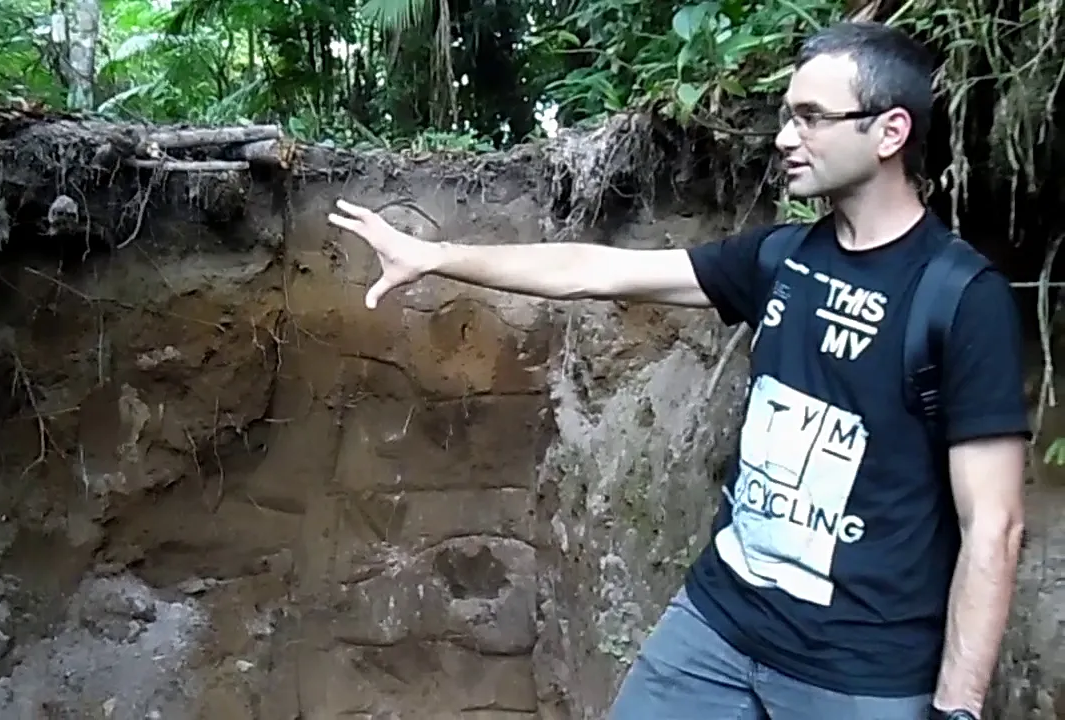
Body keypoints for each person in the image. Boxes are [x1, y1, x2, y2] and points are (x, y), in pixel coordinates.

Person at [326, 20, 1028, 720]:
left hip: (860, 676)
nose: (785, 137)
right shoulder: (781, 259)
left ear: (890, 132)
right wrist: (436, 256)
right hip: (716, 632)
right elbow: (595, 271)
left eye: (812, 118)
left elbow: (993, 524)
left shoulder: (960, 298)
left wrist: (957, 709)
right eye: (787, 115)